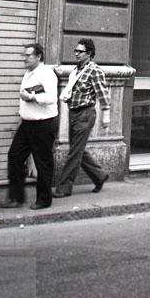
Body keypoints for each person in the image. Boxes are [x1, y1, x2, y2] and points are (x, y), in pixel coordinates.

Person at [0, 43, 58, 209]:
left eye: (28, 55)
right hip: (27, 124)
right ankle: (16, 198)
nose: (24, 58)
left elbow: (51, 98)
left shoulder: (47, 74)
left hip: (43, 124)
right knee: (15, 156)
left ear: (38, 57)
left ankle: (44, 200)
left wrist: (32, 97)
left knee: (43, 162)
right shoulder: (28, 73)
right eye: (23, 55)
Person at [53, 38, 110, 196]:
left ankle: (64, 188)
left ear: (89, 53)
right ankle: (99, 176)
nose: (76, 54)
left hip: (85, 114)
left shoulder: (94, 70)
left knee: (74, 153)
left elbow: (103, 94)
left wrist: (106, 114)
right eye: (76, 51)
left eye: (80, 51)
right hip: (74, 113)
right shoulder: (77, 70)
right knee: (77, 150)